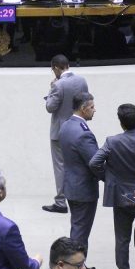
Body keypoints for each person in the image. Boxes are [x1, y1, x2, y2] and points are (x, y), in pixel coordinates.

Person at [89, 103, 135, 269]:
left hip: (121, 196)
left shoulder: (112, 141)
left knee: (122, 239)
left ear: (121, 122)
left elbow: (94, 163)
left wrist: (109, 179)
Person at [43, 54, 89, 214]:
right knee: (78, 163)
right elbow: (86, 102)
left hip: (60, 131)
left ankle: (61, 202)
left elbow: (50, 107)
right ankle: (78, 197)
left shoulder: (58, 84)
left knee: (61, 166)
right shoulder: (82, 81)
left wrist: (51, 89)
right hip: (79, 128)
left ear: (56, 67)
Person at [59, 91, 99, 251]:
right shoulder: (84, 133)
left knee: (77, 228)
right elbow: (95, 163)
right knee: (80, 233)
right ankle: (75, 268)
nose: (94, 110)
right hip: (84, 190)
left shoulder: (65, 126)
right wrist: (111, 178)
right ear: (83, 108)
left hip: (71, 186)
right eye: (92, 107)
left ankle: (79, 266)